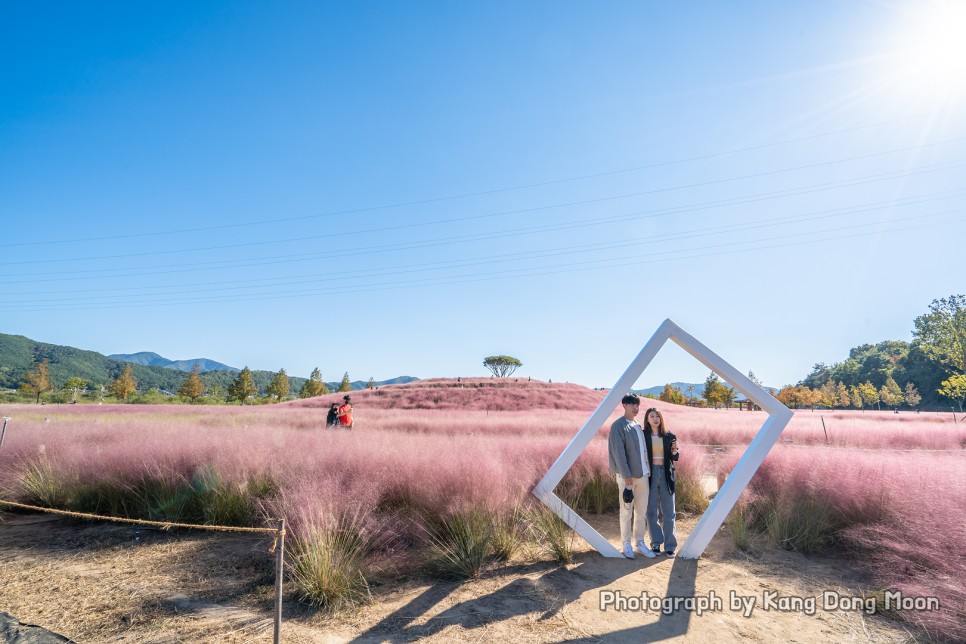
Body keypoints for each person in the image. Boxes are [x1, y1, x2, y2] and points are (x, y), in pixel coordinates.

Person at [608, 393, 657, 559]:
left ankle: (640, 543)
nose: (635, 408)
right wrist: (626, 475)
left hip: (643, 475)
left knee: (641, 512)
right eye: (632, 404)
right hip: (627, 478)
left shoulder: (637, 425)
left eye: (637, 405)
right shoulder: (618, 426)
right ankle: (626, 544)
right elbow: (618, 453)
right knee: (626, 512)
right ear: (624, 405)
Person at [643, 407, 680, 557]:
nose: (655, 419)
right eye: (652, 416)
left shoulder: (669, 436)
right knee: (651, 511)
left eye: (657, 416)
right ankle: (656, 543)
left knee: (669, 512)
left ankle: (670, 545)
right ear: (647, 419)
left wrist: (674, 451)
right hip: (650, 474)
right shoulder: (643, 435)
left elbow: (675, 457)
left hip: (665, 474)